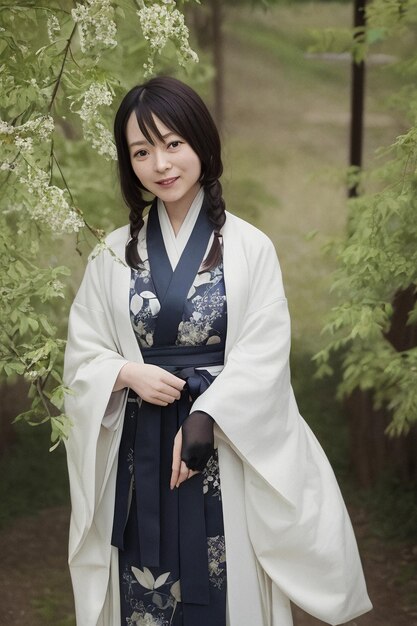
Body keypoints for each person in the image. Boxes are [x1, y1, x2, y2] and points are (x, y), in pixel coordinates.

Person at [63, 76, 372, 626]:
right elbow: (82, 356)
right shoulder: (112, 254)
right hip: (142, 455)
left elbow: (265, 354)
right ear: (127, 163)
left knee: (229, 587)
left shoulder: (251, 248)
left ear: (203, 144)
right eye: (142, 150)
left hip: (225, 445)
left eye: (173, 143)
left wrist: (209, 412)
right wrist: (126, 373)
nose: (160, 163)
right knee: (142, 591)